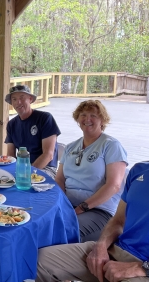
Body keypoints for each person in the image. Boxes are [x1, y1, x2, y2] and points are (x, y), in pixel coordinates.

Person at [36, 97, 149, 282]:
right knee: (40, 261)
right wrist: (101, 245)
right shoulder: (140, 170)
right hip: (116, 251)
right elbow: (119, 220)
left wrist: (139, 268)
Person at [56, 100, 127, 242]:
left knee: (63, 231)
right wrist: (62, 204)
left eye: (93, 115)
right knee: (39, 224)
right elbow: (60, 179)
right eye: (83, 115)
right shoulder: (71, 147)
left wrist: (81, 208)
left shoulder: (111, 145)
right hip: (69, 205)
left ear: (102, 120)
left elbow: (114, 185)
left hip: (99, 211)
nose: (87, 119)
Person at [4, 85, 61, 178]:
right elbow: (11, 156)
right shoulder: (11, 124)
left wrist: (28, 173)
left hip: (46, 168)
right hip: (21, 168)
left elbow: (48, 154)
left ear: (30, 99)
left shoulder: (45, 118)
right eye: (14, 99)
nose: (18, 102)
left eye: (22, 98)